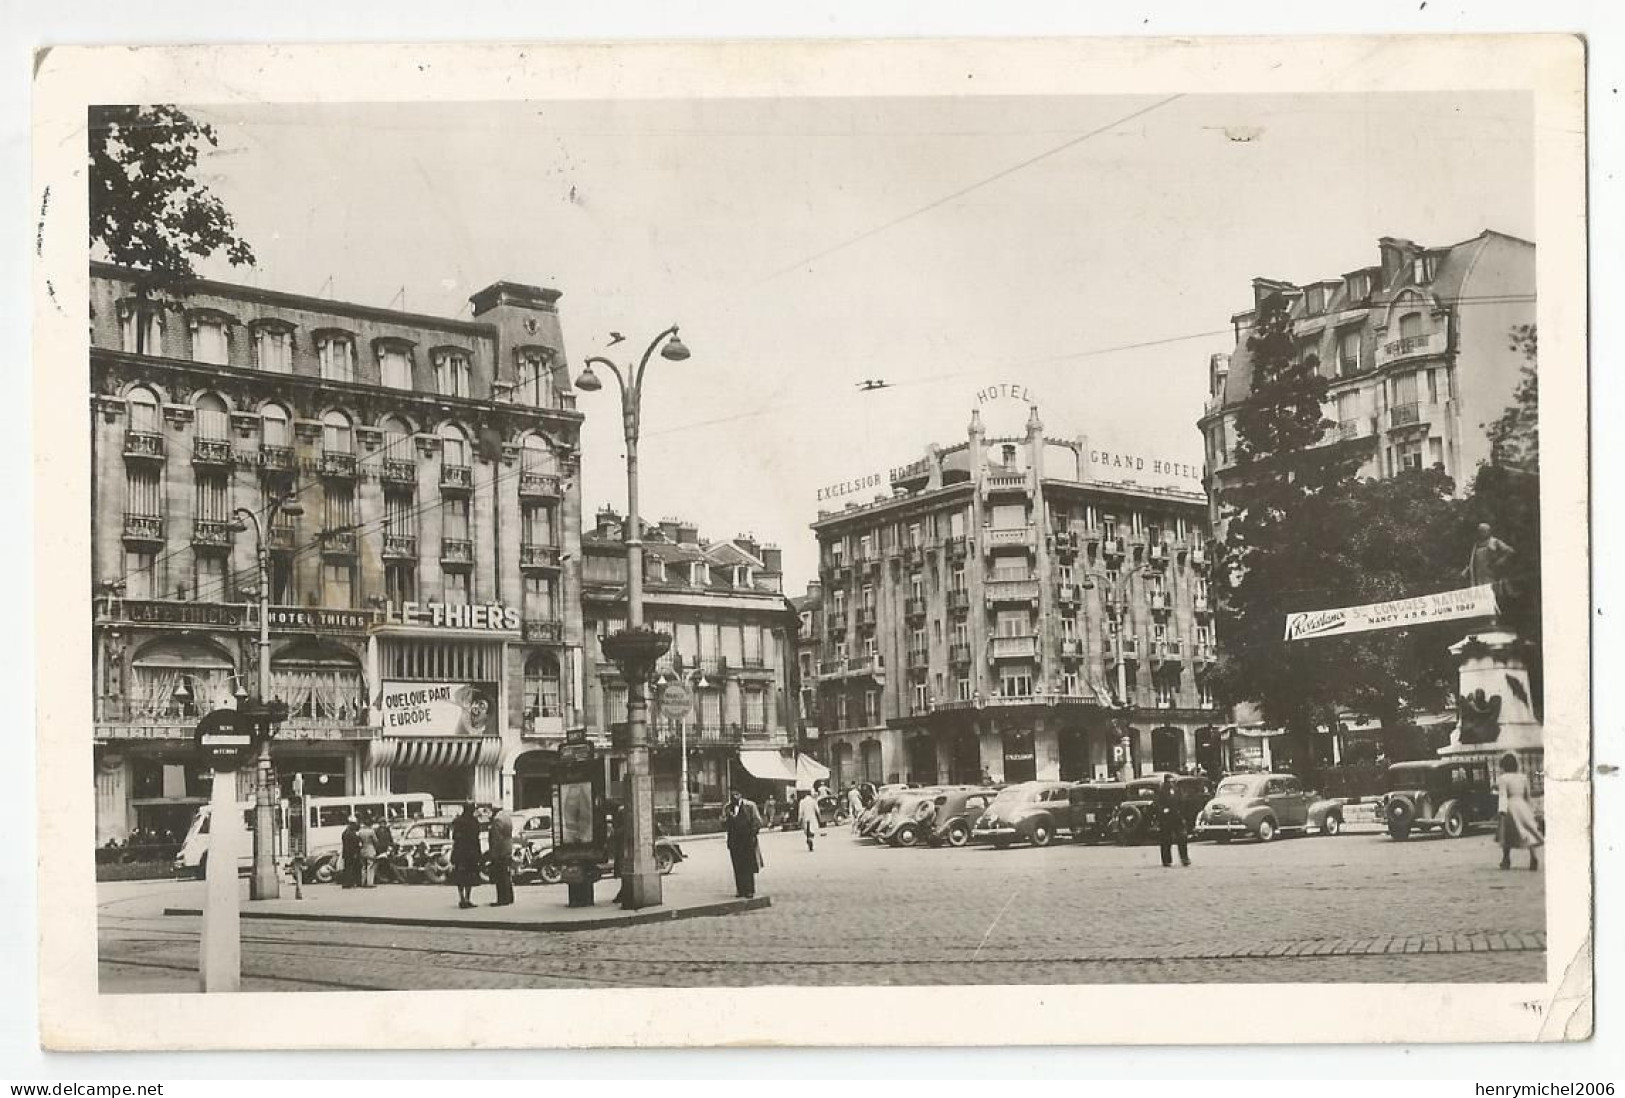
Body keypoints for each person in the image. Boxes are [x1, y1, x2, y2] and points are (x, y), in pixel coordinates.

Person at [1497, 753, 1545, 871]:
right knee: (1527, 831)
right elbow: (1527, 794)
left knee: (1506, 834)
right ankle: (1533, 856)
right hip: (1522, 805)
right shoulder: (1522, 777)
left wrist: (1502, 809)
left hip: (1510, 806)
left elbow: (1503, 795)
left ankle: (1506, 859)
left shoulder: (1503, 778)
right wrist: (1531, 809)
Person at [723, 790, 764, 899]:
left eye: (736, 794)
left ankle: (749, 890)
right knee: (737, 865)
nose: (734, 797)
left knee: (748, 865)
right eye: (732, 794)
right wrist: (726, 819)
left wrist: (753, 834)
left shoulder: (749, 806)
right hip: (734, 841)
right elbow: (724, 822)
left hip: (747, 840)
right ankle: (740, 889)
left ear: (741, 795)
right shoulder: (728, 807)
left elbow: (758, 821)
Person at [450, 801, 484, 909]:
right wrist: (479, 853)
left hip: (460, 852)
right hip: (471, 853)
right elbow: (476, 838)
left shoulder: (458, 821)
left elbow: (454, 837)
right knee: (469, 876)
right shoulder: (474, 822)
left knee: (460, 876)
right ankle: (467, 898)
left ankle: (461, 898)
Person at [1154, 774, 1190, 868]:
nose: (1171, 783)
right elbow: (1157, 804)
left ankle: (1184, 858)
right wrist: (1163, 810)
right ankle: (1166, 860)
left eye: (1172, 781)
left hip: (1177, 817)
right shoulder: (1161, 791)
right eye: (1169, 781)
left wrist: (1182, 814)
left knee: (1182, 838)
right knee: (1166, 840)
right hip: (1166, 819)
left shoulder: (1177, 790)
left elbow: (1182, 802)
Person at [486, 806, 515, 906]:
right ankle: (509, 897)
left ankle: (502, 899)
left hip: (500, 851)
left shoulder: (497, 820)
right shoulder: (507, 817)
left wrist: (493, 853)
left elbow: (496, 839)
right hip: (507, 848)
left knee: (500, 876)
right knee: (506, 874)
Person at [340, 817, 362, 889]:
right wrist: (355, 853)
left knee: (347, 868)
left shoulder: (345, 832)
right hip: (351, 853)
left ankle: (347, 883)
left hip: (347, 853)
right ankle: (349, 883)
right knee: (351, 868)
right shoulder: (351, 833)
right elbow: (354, 844)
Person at [373, 816, 396, 884]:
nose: (383, 824)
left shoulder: (386, 830)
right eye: (382, 823)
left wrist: (391, 845)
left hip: (386, 849)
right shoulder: (378, 831)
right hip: (381, 849)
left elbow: (390, 839)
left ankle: (387, 877)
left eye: (384, 823)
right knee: (382, 864)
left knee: (387, 864)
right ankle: (383, 878)